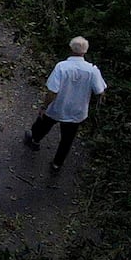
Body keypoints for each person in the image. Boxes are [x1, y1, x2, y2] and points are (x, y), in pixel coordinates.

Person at [23, 36, 106, 173]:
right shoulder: (92, 70)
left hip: (57, 107)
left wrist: (44, 106)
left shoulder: (61, 67)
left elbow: (52, 91)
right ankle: (57, 164)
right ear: (85, 51)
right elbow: (100, 92)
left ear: (71, 49)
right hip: (77, 112)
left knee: (43, 124)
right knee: (67, 139)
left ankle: (34, 141)